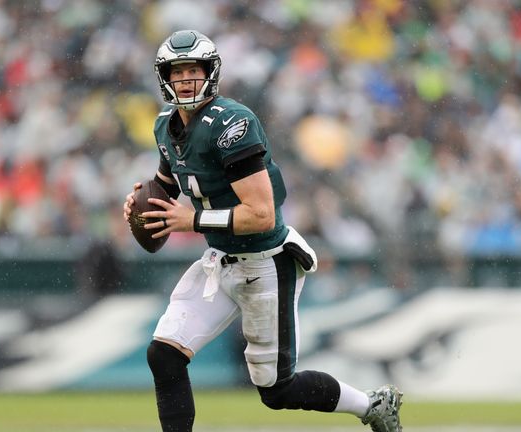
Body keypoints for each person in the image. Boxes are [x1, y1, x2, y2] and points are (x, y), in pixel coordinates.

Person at [123, 30, 402, 432]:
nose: (185, 79)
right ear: (164, 77)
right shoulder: (166, 125)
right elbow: (167, 182)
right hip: (220, 262)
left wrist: (192, 221)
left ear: (210, 73)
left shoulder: (232, 123)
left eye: (193, 70)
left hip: (265, 263)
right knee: (163, 355)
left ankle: (372, 404)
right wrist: (140, 201)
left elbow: (262, 215)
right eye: (177, 71)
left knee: (277, 391)